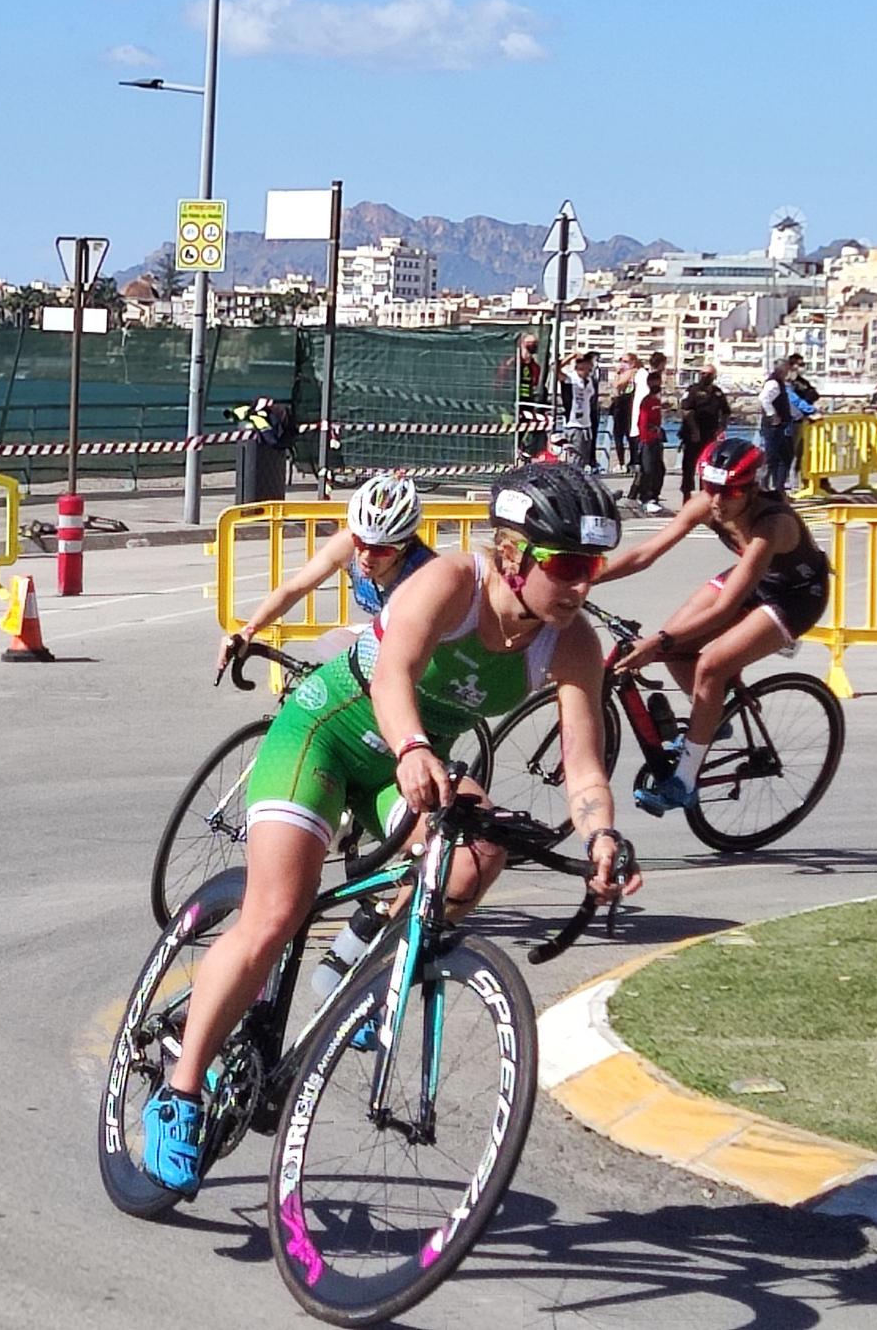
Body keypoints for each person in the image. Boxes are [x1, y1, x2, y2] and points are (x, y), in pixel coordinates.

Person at [142, 463, 641, 1192]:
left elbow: (584, 764)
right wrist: (411, 747)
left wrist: (601, 835)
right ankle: (179, 1093)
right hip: (326, 732)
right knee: (276, 911)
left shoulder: (572, 643)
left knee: (477, 853)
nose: (580, 585)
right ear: (511, 555)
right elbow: (393, 673)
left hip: (406, 760)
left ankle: (353, 971)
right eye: (564, 564)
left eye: (590, 566)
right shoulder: (450, 584)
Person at [596, 437, 831, 815]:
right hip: (754, 578)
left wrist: (656, 642)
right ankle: (713, 717)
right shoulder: (706, 504)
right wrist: (586, 578)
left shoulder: (772, 524)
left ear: (752, 488)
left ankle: (685, 781)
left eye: (729, 492)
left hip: (796, 596)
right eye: (710, 488)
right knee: (675, 647)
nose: (717, 501)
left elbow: (724, 609)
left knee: (710, 665)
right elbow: (645, 554)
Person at [219, 474, 431, 669]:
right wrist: (248, 631)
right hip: (387, 636)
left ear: (404, 546)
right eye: (360, 541)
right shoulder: (346, 546)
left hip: (428, 650)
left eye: (380, 549)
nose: (366, 555)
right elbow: (294, 589)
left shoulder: (424, 575)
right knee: (331, 645)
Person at [677, 365, 729, 501]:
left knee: (707, 467)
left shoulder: (717, 393)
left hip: (709, 435)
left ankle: (705, 495)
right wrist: (694, 431)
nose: (704, 376)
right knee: (689, 467)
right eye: (702, 373)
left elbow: (726, 411)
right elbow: (686, 410)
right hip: (692, 435)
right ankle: (686, 497)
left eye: (708, 374)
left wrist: (721, 428)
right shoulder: (693, 390)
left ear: (714, 376)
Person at [559, 350, 603, 471]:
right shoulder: (571, 379)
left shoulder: (589, 382)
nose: (589, 370)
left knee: (583, 460)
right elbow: (555, 368)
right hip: (574, 424)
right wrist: (571, 356)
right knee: (575, 460)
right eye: (586, 367)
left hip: (586, 425)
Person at [758, 358, 797, 491]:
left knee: (783, 456)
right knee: (773, 456)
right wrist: (772, 415)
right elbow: (764, 398)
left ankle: (777, 487)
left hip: (779, 426)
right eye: (787, 368)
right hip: (773, 426)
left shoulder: (778, 383)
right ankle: (764, 484)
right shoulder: (774, 383)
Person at [633, 369, 666, 514]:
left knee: (659, 469)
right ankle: (645, 498)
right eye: (654, 382)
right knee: (648, 470)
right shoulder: (647, 401)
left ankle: (654, 496)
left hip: (656, 440)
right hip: (647, 440)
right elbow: (643, 422)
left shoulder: (656, 401)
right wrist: (645, 438)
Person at [515, 334, 548, 457]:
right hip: (514, 401)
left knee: (526, 425)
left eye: (535, 343)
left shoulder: (535, 367)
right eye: (530, 343)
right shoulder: (514, 363)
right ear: (523, 344)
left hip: (527, 401)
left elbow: (534, 383)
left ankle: (522, 447)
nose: (533, 346)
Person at [608, 354, 639, 471]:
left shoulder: (631, 372)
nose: (622, 363)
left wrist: (617, 374)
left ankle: (633, 461)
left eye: (625, 361)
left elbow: (618, 385)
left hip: (627, 406)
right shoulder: (624, 373)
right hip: (620, 405)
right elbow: (617, 390)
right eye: (621, 361)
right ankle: (622, 461)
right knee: (618, 436)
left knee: (629, 434)